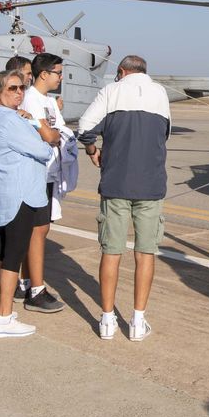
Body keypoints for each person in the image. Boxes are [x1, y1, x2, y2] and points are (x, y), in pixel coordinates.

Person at [77, 54, 170, 342]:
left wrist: (94, 151)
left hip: (116, 184)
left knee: (112, 251)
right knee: (145, 253)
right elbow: (164, 134)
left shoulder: (111, 91)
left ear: (121, 71)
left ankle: (107, 320)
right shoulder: (160, 92)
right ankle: (138, 321)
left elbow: (84, 129)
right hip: (151, 186)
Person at [0, 69, 56, 338]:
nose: (19, 93)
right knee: (13, 256)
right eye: (12, 89)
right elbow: (44, 149)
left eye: (22, 88)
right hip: (19, 195)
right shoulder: (11, 121)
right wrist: (33, 125)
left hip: (3, 195)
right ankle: (4, 317)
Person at [16, 52, 71, 314]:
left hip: (48, 173)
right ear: (44, 74)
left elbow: (61, 131)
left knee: (40, 229)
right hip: (36, 173)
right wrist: (55, 134)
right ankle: (36, 291)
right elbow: (50, 134)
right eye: (58, 72)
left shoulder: (47, 101)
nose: (61, 77)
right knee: (38, 230)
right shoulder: (32, 99)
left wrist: (56, 134)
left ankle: (25, 281)